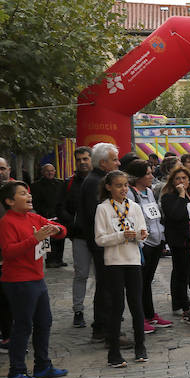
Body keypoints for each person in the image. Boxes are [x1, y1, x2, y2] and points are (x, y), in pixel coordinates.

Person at [0, 180, 69, 378]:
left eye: (28, 193)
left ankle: (43, 365)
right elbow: (9, 252)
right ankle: (16, 371)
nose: (29, 196)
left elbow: (61, 229)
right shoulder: (7, 222)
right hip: (18, 281)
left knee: (44, 322)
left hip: (37, 279)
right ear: (10, 201)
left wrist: (57, 230)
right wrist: (35, 238)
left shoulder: (33, 217)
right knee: (23, 326)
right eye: (22, 194)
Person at [94, 170, 149, 367]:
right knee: (117, 306)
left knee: (136, 304)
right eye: (118, 185)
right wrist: (121, 236)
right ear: (109, 187)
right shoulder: (103, 208)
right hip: (114, 262)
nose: (123, 189)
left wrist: (141, 235)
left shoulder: (133, 207)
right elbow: (100, 239)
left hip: (133, 259)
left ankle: (140, 346)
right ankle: (114, 352)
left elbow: (143, 231)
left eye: (125, 185)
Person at [79, 143, 120, 343]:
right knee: (106, 286)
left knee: (108, 286)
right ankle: (104, 328)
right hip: (102, 244)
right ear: (103, 163)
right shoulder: (94, 182)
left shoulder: (98, 179)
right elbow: (98, 216)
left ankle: (105, 326)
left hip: (105, 243)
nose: (117, 163)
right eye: (114, 160)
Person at [125, 160, 172, 332]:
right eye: (147, 173)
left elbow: (154, 214)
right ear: (137, 177)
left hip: (157, 241)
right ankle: (141, 318)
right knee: (140, 282)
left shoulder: (150, 192)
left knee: (147, 281)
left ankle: (151, 314)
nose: (152, 176)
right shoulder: (130, 194)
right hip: (144, 243)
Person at [159, 166, 190, 325]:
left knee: (186, 272)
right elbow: (176, 214)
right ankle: (180, 304)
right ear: (173, 181)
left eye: (184, 178)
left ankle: (184, 300)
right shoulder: (169, 197)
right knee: (180, 272)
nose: (181, 181)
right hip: (179, 240)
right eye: (178, 178)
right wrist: (182, 195)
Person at [60, 146, 93, 328]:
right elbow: (61, 207)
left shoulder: (101, 180)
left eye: (85, 159)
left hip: (100, 236)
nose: (82, 162)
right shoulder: (69, 183)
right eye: (79, 159)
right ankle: (78, 311)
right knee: (81, 275)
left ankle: (104, 309)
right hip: (80, 237)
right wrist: (72, 224)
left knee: (102, 276)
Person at [0, 157, 12, 349]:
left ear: (9, 169)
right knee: (2, 298)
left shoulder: (19, 190)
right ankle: (6, 334)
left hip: (18, 257)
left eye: (2, 168)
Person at [31, 164, 66, 268]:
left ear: (55, 171)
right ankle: (50, 260)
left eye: (52, 171)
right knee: (49, 239)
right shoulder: (36, 186)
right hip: (45, 215)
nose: (50, 173)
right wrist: (45, 213)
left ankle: (59, 259)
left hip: (59, 214)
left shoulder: (60, 183)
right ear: (42, 172)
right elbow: (36, 203)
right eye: (47, 171)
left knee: (61, 237)